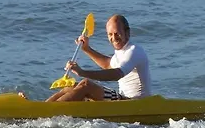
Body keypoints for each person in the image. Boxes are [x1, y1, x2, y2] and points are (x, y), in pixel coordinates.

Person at [22, 14, 151, 102]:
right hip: (122, 99)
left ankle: (46, 113)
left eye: (117, 33)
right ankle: (41, 107)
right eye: (110, 34)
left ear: (127, 32)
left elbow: (117, 74)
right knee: (71, 87)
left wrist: (82, 72)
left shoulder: (134, 51)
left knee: (86, 84)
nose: (113, 38)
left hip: (133, 102)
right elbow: (108, 64)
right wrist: (86, 49)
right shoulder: (121, 52)